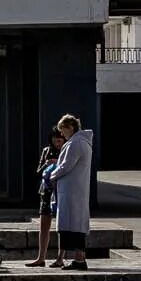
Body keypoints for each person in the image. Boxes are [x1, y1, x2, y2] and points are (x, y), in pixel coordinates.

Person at [43, 113, 94, 270]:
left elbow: (66, 166)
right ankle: (78, 258)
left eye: (63, 131)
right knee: (75, 225)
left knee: (72, 226)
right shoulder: (80, 142)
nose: (62, 134)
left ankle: (79, 259)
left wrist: (52, 175)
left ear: (70, 128)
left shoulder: (76, 143)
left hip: (72, 192)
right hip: (74, 191)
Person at [24, 131, 62, 268]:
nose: (57, 144)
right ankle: (41, 257)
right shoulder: (46, 151)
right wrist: (47, 164)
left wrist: (58, 163)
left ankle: (60, 257)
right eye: (55, 141)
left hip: (61, 190)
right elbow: (38, 172)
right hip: (46, 191)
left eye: (59, 140)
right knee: (44, 225)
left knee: (61, 226)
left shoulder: (67, 150)